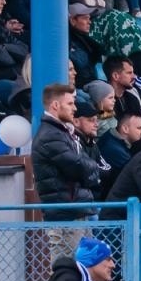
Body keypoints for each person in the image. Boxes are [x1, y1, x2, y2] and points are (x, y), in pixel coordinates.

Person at [32, 84, 103, 220]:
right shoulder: (50, 135)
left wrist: (90, 168)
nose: (74, 108)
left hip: (75, 210)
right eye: (70, 104)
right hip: (65, 214)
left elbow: (84, 163)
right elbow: (78, 166)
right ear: (55, 105)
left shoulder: (62, 132)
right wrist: (93, 169)